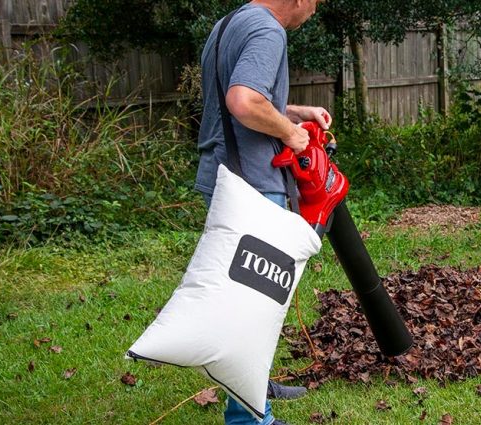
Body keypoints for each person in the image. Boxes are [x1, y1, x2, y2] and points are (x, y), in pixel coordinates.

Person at [196, 1, 330, 424]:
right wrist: (296, 137)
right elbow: (242, 101)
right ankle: (250, 418)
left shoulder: (229, 24)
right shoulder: (269, 30)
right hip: (250, 185)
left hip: (221, 173)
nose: (314, 11)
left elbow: (246, 98)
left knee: (246, 297)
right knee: (253, 306)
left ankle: (255, 385)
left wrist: (297, 112)